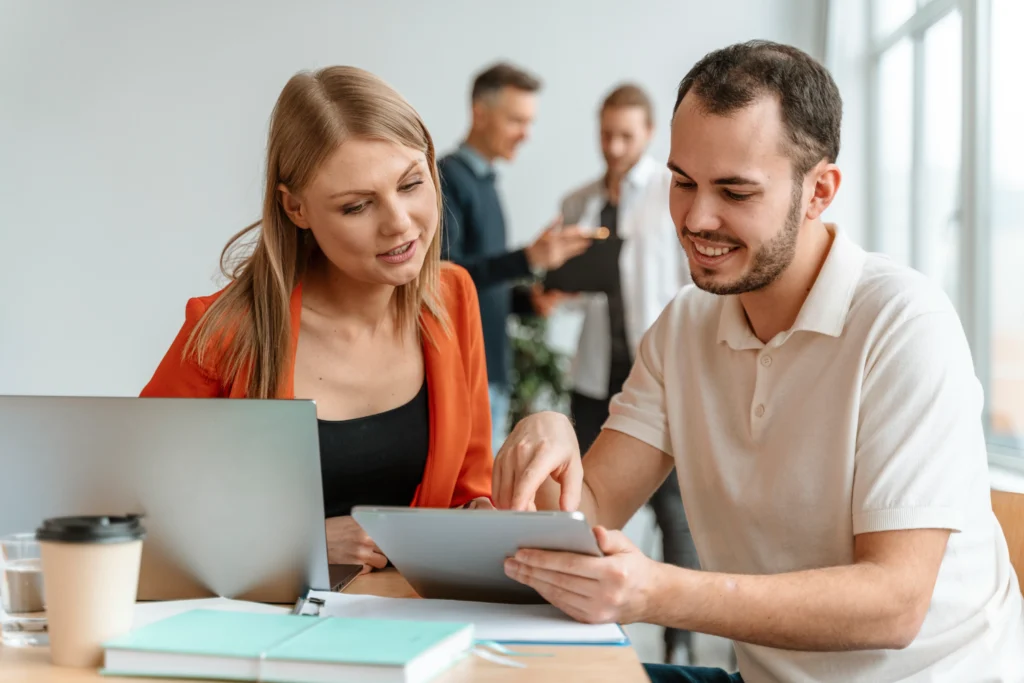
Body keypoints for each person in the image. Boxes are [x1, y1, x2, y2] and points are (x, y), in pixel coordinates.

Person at [492, 41, 1024, 682]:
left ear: (819, 191)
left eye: (735, 192)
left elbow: (895, 604)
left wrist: (656, 592)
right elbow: (593, 506)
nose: (695, 218)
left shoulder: (904, 324)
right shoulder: (685, 326)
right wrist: (551, 435)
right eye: (682, 181)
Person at [141, 66, 495, 576]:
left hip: (415, 632)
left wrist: (488, 518)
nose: (398, 222)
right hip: (267, 640)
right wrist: (298, 540)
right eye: (356, 206)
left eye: (412, 184)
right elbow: (140, 514)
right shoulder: (224, 331)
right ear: (296, 208)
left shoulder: (453, 297)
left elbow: (468, 491)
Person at [551, 83, 698, 665]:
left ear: (648, 134)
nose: (614, 147)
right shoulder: (579, 200)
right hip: (593, 376)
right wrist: (554, 283)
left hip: (655, 373)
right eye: (606, 134)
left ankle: (679, 640)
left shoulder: (670, 196)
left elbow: (690, 285)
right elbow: (563, 294)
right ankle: (586, 630)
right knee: (587, 506)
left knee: (674, 510)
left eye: (627, 136)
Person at [439, 62, 593, 452]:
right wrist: (527, 258)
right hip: (463, 376)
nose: (526, 134)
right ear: (480, 113)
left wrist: (528, 301)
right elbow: (445, 280)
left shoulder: (486, 183)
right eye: (516, 121)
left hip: (490, 373)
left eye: (530, 122)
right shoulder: (447, 180)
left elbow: (481, 288)